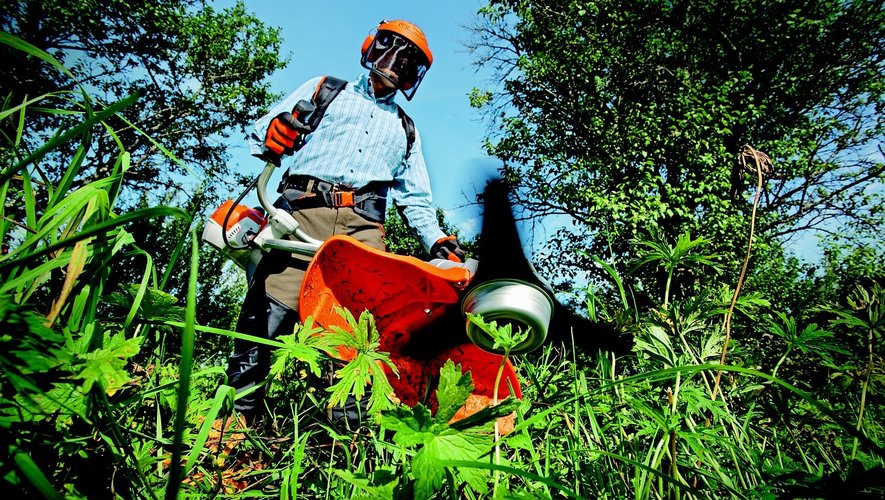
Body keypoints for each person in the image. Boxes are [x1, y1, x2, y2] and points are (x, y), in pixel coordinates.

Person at [226, 19, 466, 422]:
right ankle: (232, 425)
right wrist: (275, 131)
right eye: (389, 50)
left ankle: (342, 440)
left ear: (415, 76)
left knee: (361, 336)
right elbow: (261, 132)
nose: (394, 65)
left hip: (363, 230)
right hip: (303, 212)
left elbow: (417, 199)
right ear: (371, 47)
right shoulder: (326, 89)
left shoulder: (406, 129)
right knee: (266, 318)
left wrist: (437, 241)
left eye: (408, 63)